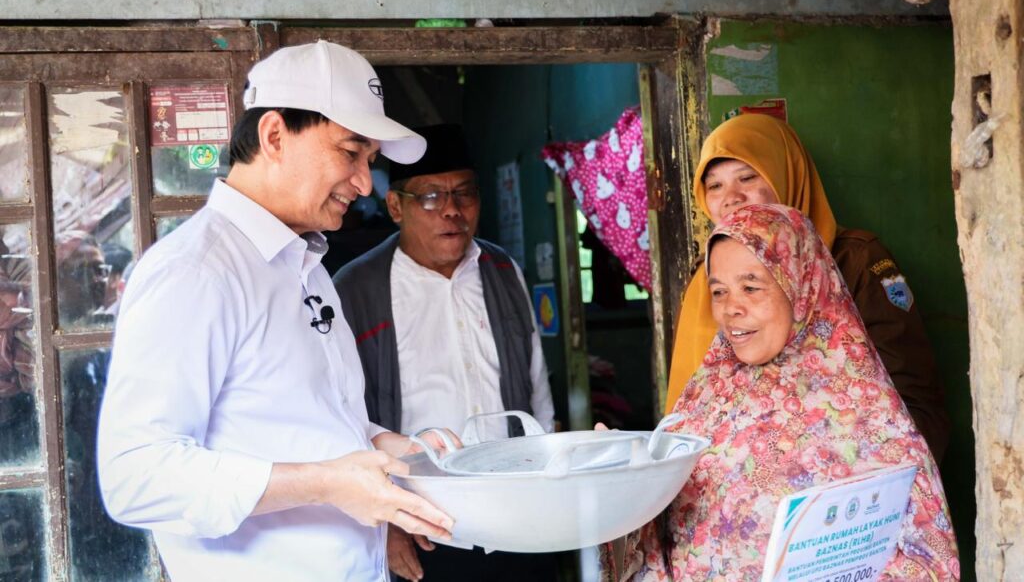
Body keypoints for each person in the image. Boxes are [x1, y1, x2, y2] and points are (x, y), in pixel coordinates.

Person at [97, 41, 455, 582]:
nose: (363, 184)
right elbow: (135, 475)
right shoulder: (197, 272)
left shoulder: (306, 263)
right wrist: (328, 483)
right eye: (350, 152)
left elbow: (295, 423)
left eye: (371, 161)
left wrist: (387, 448)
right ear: (273, 136)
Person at [612, 204, 958, 581]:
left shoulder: (869, 412)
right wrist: (621, 481)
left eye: (751, 287)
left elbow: (929, 559)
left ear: (800, 283)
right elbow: (660, 541)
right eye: (719, 291)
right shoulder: (703, 400)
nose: (731, 309)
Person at [333, 124, 557, 582]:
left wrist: (549, 488)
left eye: (464, 194)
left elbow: (538, 390)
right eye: (431, 197)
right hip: (423, 523)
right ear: (396, 206)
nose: (452, 211)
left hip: (518, 511)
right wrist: (386, 524)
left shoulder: (502, 271)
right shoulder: (355, 290)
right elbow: (340, 418)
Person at [664, 114, 950, 461]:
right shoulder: (705, 279)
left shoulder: (855, 259)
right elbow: (690, 405)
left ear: (787, 174)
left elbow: (913, 398)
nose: (731, 198)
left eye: (748, 177)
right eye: (715, 186)